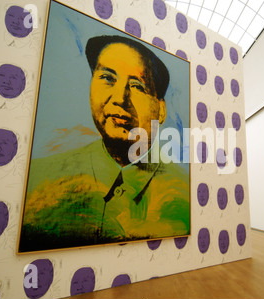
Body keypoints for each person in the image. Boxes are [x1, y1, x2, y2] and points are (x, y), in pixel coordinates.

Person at [19, 36, 189, 252]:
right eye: (108, 78)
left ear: (161, 109)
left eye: (137, 86)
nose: (120, 97)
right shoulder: (38, 181)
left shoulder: (184, 195)